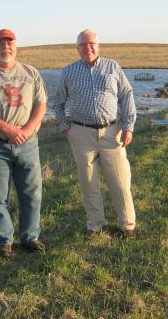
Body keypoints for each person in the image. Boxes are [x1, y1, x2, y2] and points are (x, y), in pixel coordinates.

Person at [54, 29, 137, 238]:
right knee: (88, 182)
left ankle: (127, 225)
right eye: (83, 45)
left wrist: (129, 126)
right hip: (81, 134)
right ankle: (95, 224)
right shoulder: (68, 71)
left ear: (98, 46)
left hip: (111, 133)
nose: (87, 48)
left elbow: (126, 95)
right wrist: (65, 127)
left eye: (91, 44)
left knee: (120, 181)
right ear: (77, 49)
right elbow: (58, 102)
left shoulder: (112, 67)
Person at [0, 29, 47, 257]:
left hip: (27, 142)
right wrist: (8, 129)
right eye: (1, 44)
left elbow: (41, 104)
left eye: (10, 43)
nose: (6, 48)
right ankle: (4, 240)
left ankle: (30, 237)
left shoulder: (30, 72)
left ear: (16, 47)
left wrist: (25, 130)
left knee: (32, 192)